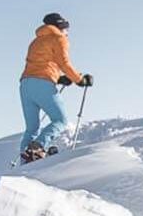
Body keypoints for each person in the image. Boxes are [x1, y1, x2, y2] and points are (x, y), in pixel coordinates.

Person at [19, 12, 92, 163]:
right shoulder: (59, 38)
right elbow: (64, 63)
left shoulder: (36, 41)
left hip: (26, 84)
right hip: (42, 84)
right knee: (60, 120)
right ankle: (37, 147)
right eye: (66, 29)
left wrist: (59, 78)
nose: (67, 32)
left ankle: (26, 161)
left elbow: (40, 65)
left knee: (32, 128)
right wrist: (79, 79)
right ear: (60, 27)